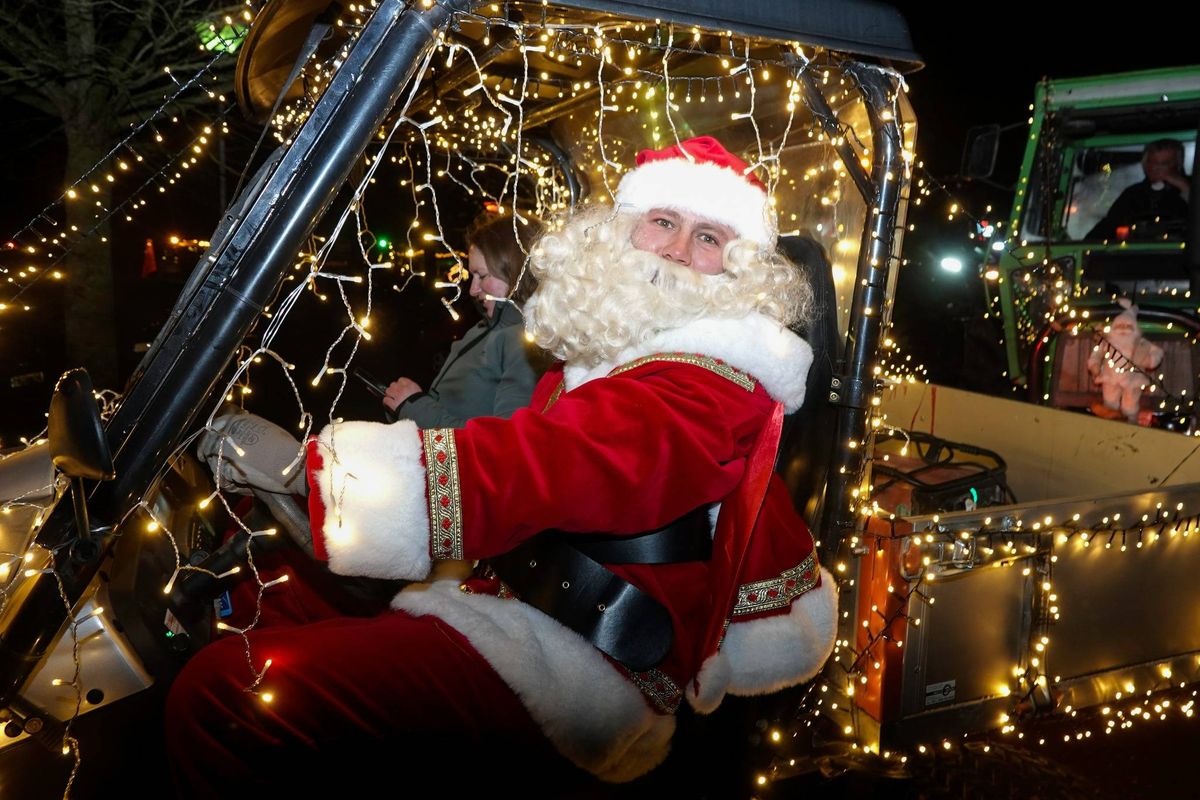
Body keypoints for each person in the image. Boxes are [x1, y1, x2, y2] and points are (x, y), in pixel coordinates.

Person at [165, 135, 837, 796]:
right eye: (664, 222)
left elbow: (579, 459)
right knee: (262, 605)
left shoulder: (712, 377)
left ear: (736, 270)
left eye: (710, 238)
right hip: (513, 601)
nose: (681, 251)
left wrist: (344, 483)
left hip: (578, 663)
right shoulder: (616, 350)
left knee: (228, 690)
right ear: (626, 233)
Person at [382, 212, 548, 426]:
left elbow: (502, 447)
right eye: (472, 277)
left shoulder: (526, 343)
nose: (472, 289)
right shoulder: (483, 328)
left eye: (482, 275)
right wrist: (403, 406)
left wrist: (415, 408)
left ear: (515, 272)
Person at [1087, 139, 1190, 241]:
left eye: (1163, 163)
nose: (1155, 168)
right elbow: (1108, 226)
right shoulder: (1132, 194)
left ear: (1178, 164)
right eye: (1151, 162)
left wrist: (1185, 189)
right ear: (1144, 164)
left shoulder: (1191, 188)